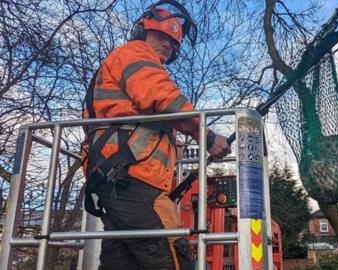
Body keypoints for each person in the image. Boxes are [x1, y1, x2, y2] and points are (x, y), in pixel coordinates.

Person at [82, 1, 231, 269]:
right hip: (133, 179)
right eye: (161, 36)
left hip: (117, 179)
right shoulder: (135, 54)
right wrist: (206, 136)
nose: (167, 45)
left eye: (173, 43)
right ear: (142, 32)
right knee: (173, 255)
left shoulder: (126, 59)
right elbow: (163, 98)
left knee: (121, 263)